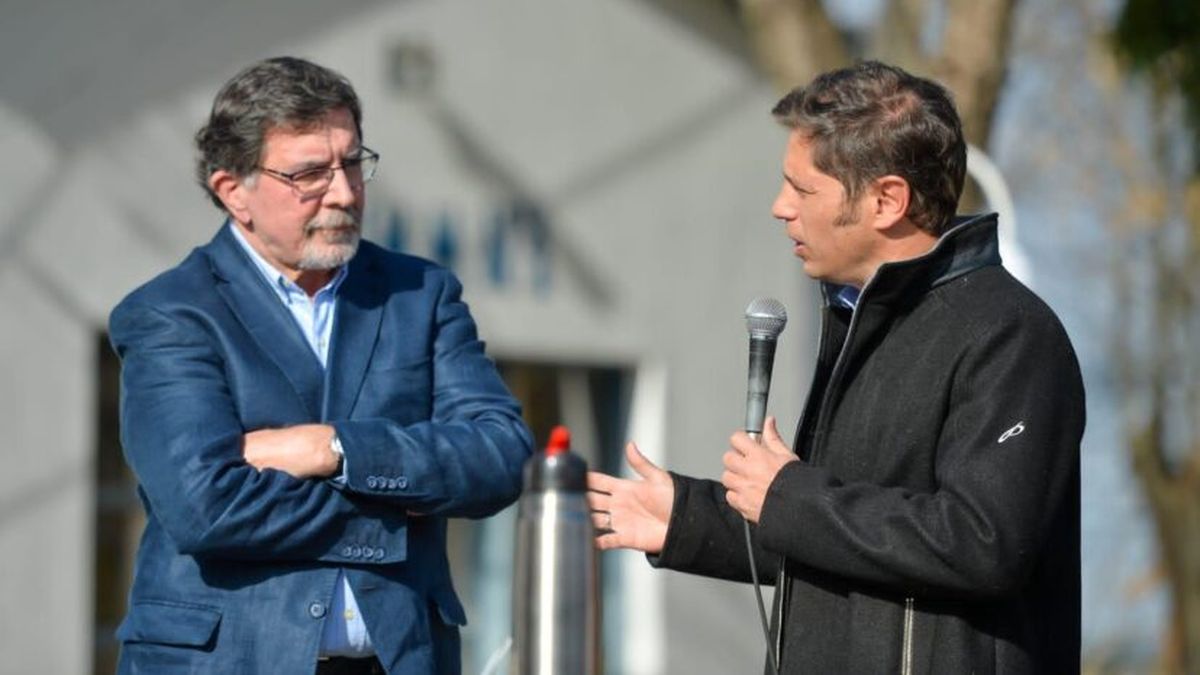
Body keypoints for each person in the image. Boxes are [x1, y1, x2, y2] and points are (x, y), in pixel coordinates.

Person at [587, 60, 1084, 674]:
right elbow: (846, 541)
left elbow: (982, 542)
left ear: (887, 200)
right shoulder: (864, 324)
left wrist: (788, 495)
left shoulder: (1010, 336)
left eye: (802, 189)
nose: (779, 208)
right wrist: (688, 519)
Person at [108, 56, 533, 675]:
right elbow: (206, 508)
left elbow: (500, 456)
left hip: (399, 659)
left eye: (352, 162)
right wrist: (400, 510)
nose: (343, 191)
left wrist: (334, 450)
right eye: (309, 173)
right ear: (234, 191)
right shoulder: (172, 314)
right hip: (229, 661)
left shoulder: (419, 295)